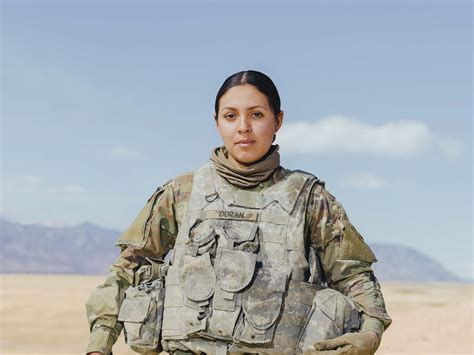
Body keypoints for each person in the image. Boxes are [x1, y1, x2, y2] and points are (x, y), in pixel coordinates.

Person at [85, 70, 391, 355]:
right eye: (230, 116)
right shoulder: (182, 192)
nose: (243, 127)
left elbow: (354, 276)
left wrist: (372, 332)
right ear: (217, 122)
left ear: (278, 120)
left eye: (256, 115)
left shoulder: (310, 198)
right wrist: (99, 343)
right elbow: (128, 269)